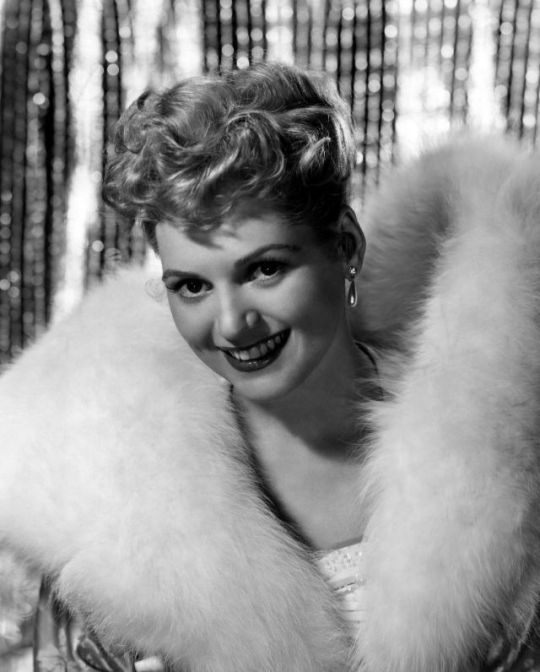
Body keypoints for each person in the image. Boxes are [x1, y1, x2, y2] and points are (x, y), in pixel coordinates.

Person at [1, 62, 540, 672]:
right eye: (192, 286)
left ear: (345, 247)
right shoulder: (102, 505)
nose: (232, 324)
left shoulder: (507, 447)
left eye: (265, 269)